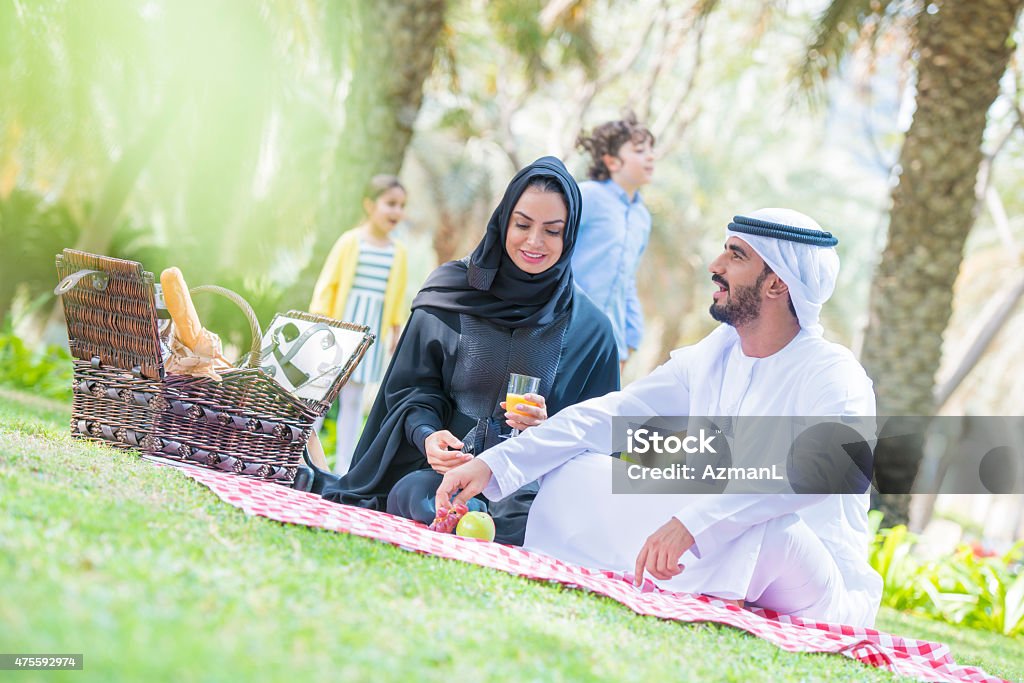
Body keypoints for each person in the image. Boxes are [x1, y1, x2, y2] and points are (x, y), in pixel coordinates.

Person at [434, 208, 885, 627]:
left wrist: (693, 524)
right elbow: (614, 414)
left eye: (735, 255)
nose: (716, 265)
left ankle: (690, 570)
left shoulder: (835, 374)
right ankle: (674, 575)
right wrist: (497, 462)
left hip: (817, 574)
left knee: (758, 518)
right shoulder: (716, 354)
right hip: (726, 531)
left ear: (776, 284)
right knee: (580, 467)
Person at [318, 156, 620, 546]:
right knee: (418, 494)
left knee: (528, 519)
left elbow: (598, 435)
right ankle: (468, 517)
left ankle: (483, 522)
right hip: (439, 476)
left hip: (523, 491)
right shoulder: (452, 293)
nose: (534, 242)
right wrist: (427, 435)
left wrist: (549, 426)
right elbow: (413, 390)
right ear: (503, 221)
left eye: (552, 230)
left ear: (570, 235)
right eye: (523, 224)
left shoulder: (589, 329)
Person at [309, 175, 409, 475]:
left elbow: (397, 298)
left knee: (353, 401)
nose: (396, 212)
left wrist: (394, 331)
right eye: (390, 203)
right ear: (370, 205)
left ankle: (342, 470)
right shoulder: (350, 242)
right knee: (319, 397)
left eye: (402, 206)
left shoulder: (398, 252)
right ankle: (304, 457)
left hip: (371, 334)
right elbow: (328, 285)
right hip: (341, 331)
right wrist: (321, 324)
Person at [572, 112, 655, 374]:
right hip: (568, 333)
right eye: (640, 150)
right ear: (611, 161)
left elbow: (627, 279)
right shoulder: (587, 196)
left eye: (651, 149)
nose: (651, 156)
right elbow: (557, 258)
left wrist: (630, 338)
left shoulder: (642, 216)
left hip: (612, 344)